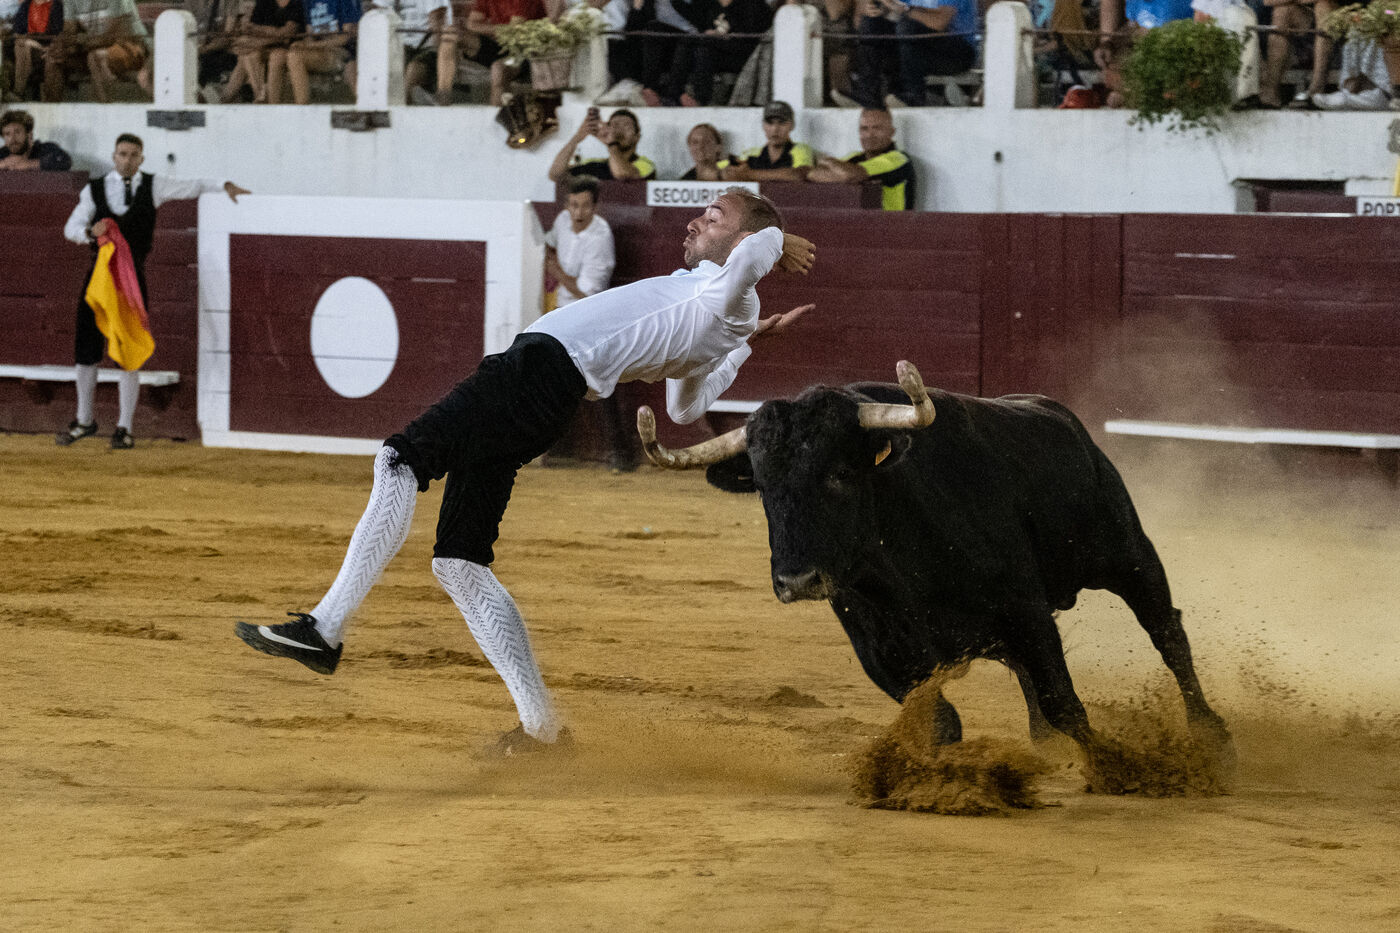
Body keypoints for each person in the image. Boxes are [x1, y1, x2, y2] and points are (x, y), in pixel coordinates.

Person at [234, 188, 817, 754]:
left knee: (399, 459)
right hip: (548, 393)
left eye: (712, 218)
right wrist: (743, 346)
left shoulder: (728, 288)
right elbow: (685, 407)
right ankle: (541, 728)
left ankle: (324, 629)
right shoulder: (724, 309)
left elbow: (753, 256)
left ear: (743, 240)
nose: (693, 224)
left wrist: (775, 238)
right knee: (459, 563)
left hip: (538, 372)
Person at [59, 133, 250, 449]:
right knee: (86, 349)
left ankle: (125, 427)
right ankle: (84, 420)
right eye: (122, 154)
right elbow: (71, 228)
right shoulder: (94, 189)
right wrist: (89, 232)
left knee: (129, 351)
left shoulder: (154, 185)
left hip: (132, 281)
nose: (127, 160)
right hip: (99, 279)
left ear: (142, 159)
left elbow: (192, 186)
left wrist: (224, 184)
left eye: (133, 155)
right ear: (114, 156)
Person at [851, 0, 978, 108]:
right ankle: (868, 95)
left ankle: (913, 95)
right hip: (917, 47)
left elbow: (939, 23)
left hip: (956, 54)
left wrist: (905, 10)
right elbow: (897, 12)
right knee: (871, 24)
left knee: (907, 27)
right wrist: (882, 11)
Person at [809, 107, 916, 210]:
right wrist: (838, 175)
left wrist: (827, 161)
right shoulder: (854, 157)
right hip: (858, 220)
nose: (869, 135)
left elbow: (849, 175)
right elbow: (813, 174)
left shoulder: (898, 159)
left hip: (893, 222)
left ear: (892, 132)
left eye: (877, 128)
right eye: (864, 129)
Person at [465, 0, 561, 106]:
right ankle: (449, 97)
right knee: (456, 38)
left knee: (498, 69)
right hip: (504, 45)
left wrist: (488, 29)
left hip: (529, 51)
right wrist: (500, 30)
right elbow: (471, 24)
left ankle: (501, 114)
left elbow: (514, 29)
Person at [266, 0, 359, 104]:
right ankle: (272, 106)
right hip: (318, 50)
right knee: (277, 56)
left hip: (339, 51)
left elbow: (345, 37)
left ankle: (302, 106)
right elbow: (310, 35)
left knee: (295, 57)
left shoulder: (344, 2)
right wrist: (302, 44)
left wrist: (312, 45)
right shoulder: (309, 2)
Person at [224, 0, 305, 103]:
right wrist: (271, 33)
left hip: (289, 47)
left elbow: (287, 34)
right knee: (248, 54)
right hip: (266, 45)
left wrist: (261, 35)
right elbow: (251, 28)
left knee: (259, 55)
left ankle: (230, 98)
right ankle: (258, 97)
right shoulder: (263, 2)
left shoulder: (296, 3)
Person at [547, 106, 656, 182]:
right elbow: (555, 175)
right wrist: (577, 137)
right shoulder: (596, 164)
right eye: (614, 125)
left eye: (626, 126)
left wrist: (611, 143)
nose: (619, 131)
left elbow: (622, 174)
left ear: (637, 137)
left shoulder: (646, 164)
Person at [723, 99, 814, 183]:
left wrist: (749, 174)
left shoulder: (801, 149)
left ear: (792, 125)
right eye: (770, 123)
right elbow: (722, 169)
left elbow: (799, 174)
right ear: (763, 125)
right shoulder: (752, 153)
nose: (775, 129)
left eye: (782, 123)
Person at [395, 0, 458, 106]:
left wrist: (440, 56)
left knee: (413, 70)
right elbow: (379, 11)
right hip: (403, 46)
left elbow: (437, 22)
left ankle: (407, 103)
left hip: (429, 48)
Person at [9, 0, 65, 100]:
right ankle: (18, 93)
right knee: (21, 45)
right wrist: (31, 42)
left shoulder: (56, 6)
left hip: (51, 48)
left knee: (51, 57)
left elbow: (59, 32)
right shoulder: (26, 5)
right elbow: (17, 31)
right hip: (30, 47)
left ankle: (52, 102)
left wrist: (50, 48)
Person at [0, 109, 73, 171]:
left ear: (29, 134)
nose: (12, 138)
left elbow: (64, 160)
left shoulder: (45, 149)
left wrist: (29, 164)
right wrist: (4, 164)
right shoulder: (2, 153)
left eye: (17, 132)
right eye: (7, 134)